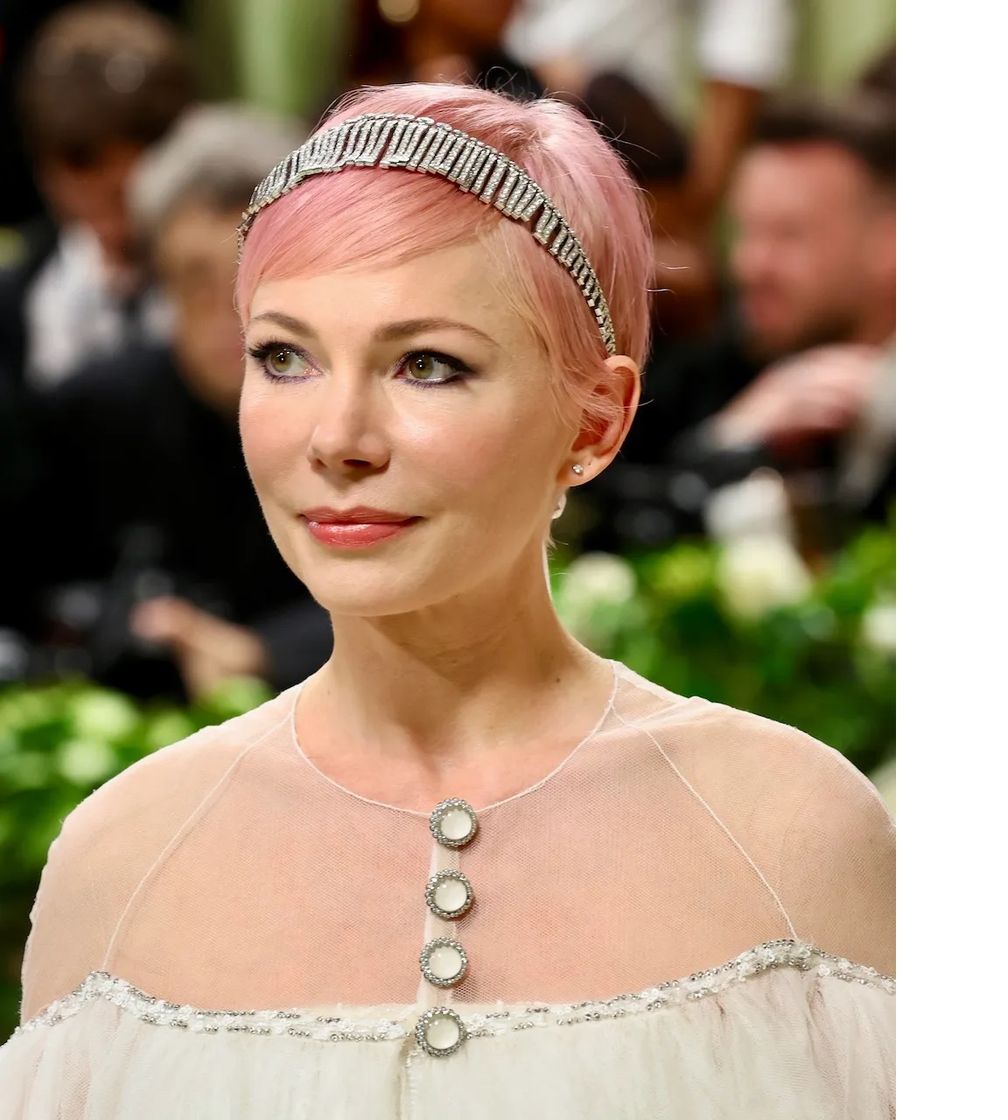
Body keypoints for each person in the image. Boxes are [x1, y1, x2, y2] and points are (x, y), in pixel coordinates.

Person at [0, 83, 894, 1116]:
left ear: (597, 421)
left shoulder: (793, 832)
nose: (338, 437)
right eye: (284, 357)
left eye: (427, 365)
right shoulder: (121, 859)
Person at [21, 104, 332, 700]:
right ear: (158, 277)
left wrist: (263, 651)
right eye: (194, 279)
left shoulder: (349, 418)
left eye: (247, 281)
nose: (226, 315)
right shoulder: (90, 412)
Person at [596, 91, 896, 551]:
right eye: (746, 232)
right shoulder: (708, 372)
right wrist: (733, 442)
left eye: (788, 235)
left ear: (891, 242)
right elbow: (600, 526)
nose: (750, 265)